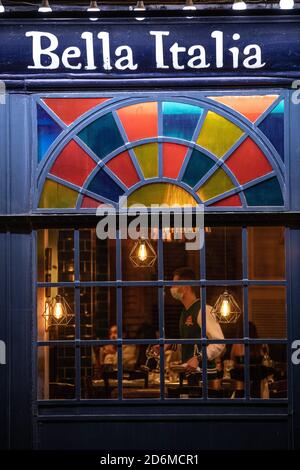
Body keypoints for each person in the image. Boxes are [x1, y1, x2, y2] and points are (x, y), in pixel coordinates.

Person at [154, 267, 225, 380]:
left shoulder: (204, 309)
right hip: (190, 374)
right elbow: (191, 342)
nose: (172, 289)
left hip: (204, 376)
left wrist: (198, 358)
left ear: (186, 287)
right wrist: (169, 345)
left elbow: (219, 343)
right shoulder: (185, 311)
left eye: (175, 285)